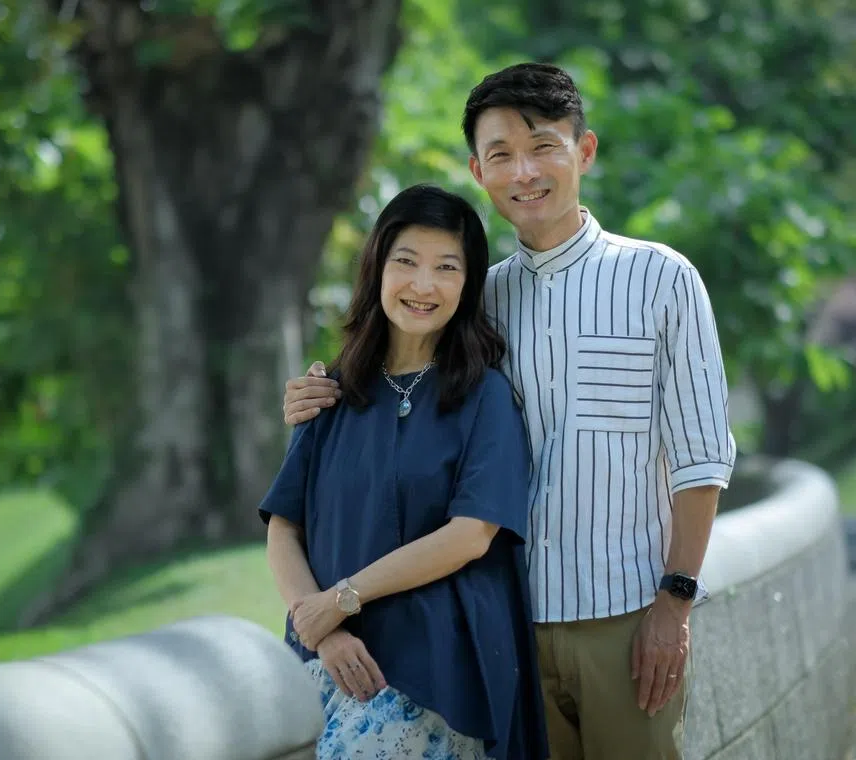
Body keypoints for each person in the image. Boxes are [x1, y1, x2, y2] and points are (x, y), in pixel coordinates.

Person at [282, 63, 737, 760]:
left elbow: (700, 461)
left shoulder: (661, 279)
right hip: (505, 630)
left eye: (543, 147)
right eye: (501, 155)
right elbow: (399, 385)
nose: (523, 172)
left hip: (625, 618)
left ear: (584, 151)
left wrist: (673, 603)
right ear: (478, 170)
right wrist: (319, 389)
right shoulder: (475, 299)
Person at [259, 183, 549, 759]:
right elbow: (284, 528)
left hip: (433, 669)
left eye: (446, 268)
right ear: (377, 268)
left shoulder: (486, 396)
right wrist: (324, 625)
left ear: (468, 284)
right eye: (407, 261)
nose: (423, 285)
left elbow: (470, 536)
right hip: (322, 660)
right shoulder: (329, 391)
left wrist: (342, 599)